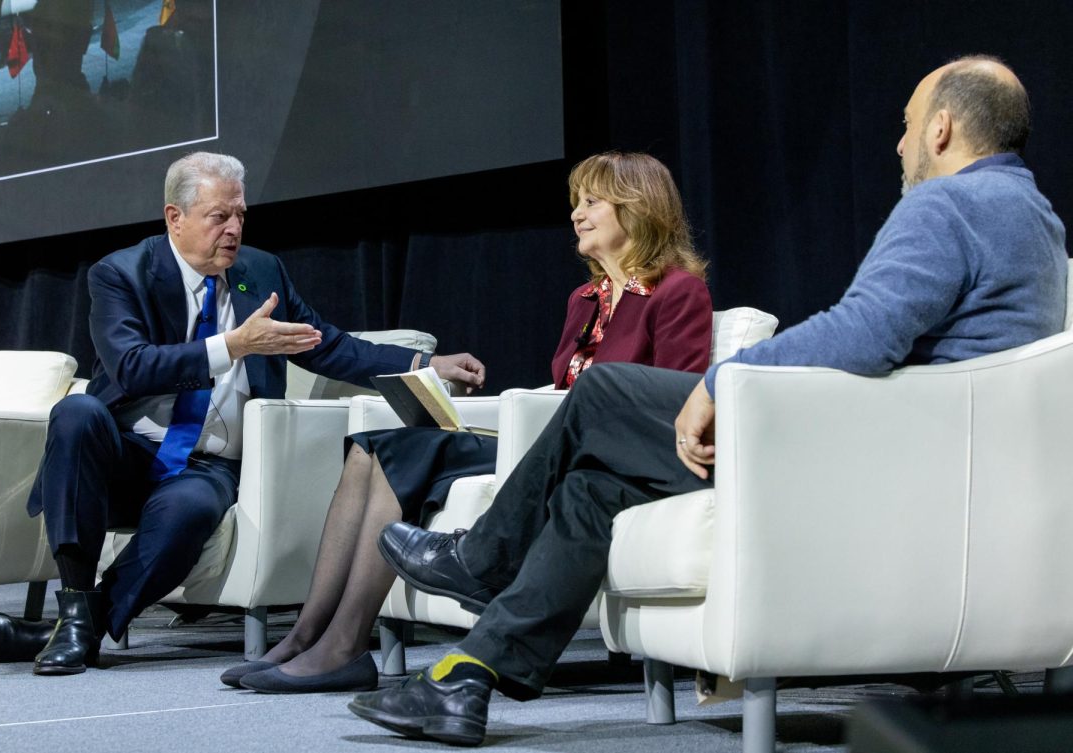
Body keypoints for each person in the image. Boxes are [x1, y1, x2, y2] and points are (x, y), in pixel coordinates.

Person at [353, 55, 1068, 746]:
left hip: (865, 461)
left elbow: (866, 333)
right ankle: (466, 678)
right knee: (593, 490)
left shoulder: (949, 203)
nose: (901, 143)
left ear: (942, 128)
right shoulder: (1035, 217)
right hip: (918, 461)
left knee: (603, 390)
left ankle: (483, 555)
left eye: (909, 125)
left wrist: (725, 379)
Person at [0, 151, 485, 675]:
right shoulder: (120, 274)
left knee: (188, 511)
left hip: (208, 466)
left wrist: (425, 363)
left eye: (240, 215)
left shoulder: (260, 270)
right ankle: (73, 602)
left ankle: (76, 628)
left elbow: (327, 344)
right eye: (219, 217)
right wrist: (231, 346)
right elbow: (132, 368)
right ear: (175, 219)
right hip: (127, 451)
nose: (234, 229)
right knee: (76, 412)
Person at [218, 151, 716, 693]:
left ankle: (344, 645)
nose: (576, 214)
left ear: (637, 206)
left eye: (592, 201)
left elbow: (671, 401)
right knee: (370, 444)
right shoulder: (586, 299)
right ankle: (308, 634)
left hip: (605, 453)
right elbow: (561, 393)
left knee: (403, 451)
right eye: (575, 202)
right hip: (552, 440)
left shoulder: (677, 291)